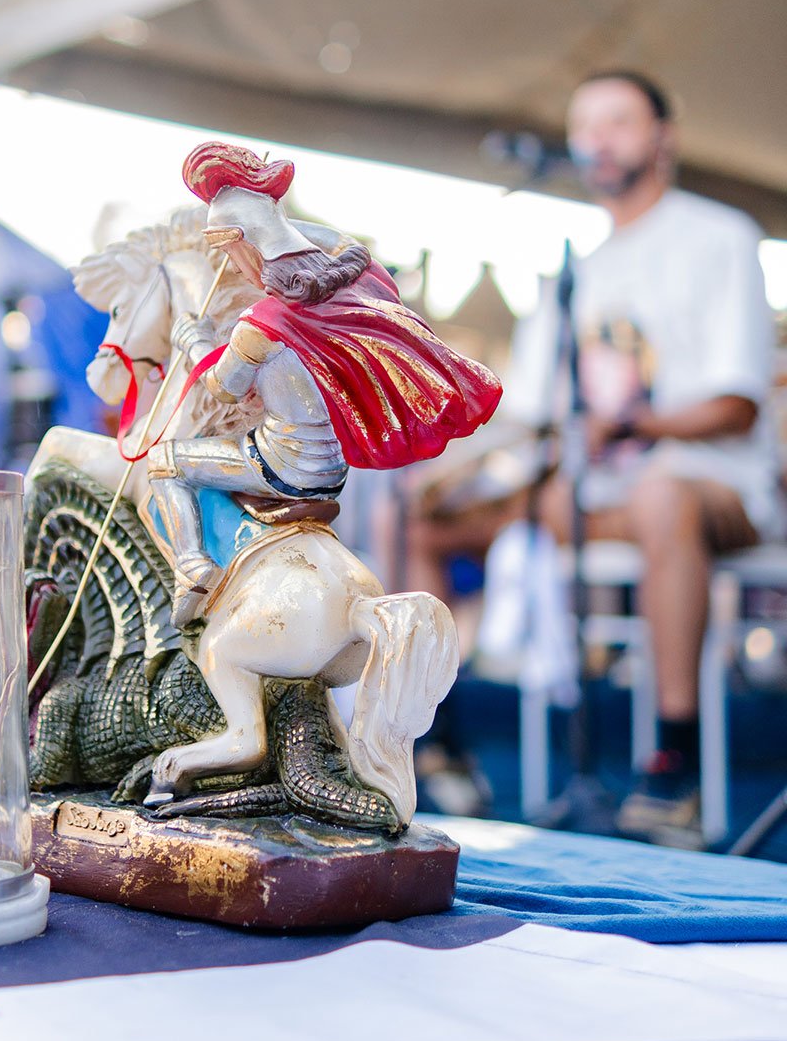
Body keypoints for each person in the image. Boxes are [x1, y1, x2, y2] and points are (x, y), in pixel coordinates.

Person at [411, 70, 781, 844]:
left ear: (663, 138)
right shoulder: (576, 269)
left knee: (661, 495)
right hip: (594, 494)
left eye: (618, 121)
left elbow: (738, 403)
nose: (596, 140)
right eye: (585, 126)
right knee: (424, 522)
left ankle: (673, 764)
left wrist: (634, 424)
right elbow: (531, 416)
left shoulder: (720, 236)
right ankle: (435, 745)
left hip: (712, 486)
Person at [149, 140, 502, 627]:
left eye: (231, 252)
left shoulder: (262, 323)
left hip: (282, 466)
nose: (232, 265)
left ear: (244, 243)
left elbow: (221, 388)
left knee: (166, 462)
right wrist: (274, 223)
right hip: (333, 468)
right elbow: (335, 243)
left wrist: (194, 339)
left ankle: (191, 569)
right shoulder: (354, 282)